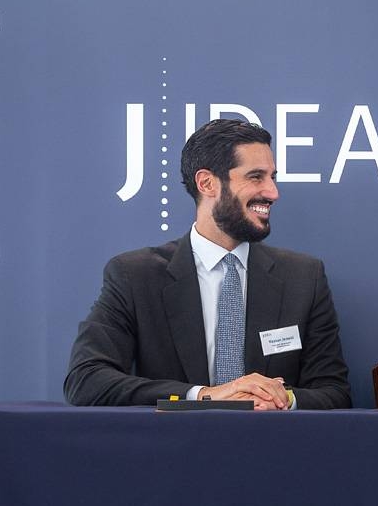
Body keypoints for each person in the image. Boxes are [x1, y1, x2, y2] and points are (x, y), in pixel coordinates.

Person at [64, 119, 351, 409]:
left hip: (269, 449)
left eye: (272, 177)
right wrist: (204, 395)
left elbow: (335, 392)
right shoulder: (134, 276)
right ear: (207, 183)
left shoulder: (303, 278)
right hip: (173, 449)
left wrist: (283, 398)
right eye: (256, 177)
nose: (272, 192)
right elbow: (86, 381)